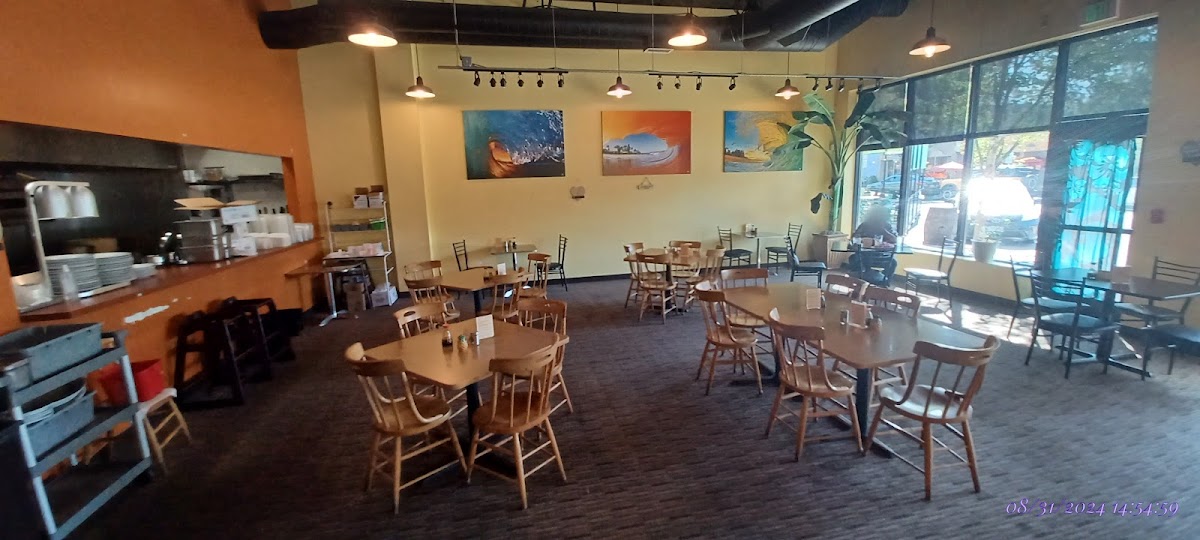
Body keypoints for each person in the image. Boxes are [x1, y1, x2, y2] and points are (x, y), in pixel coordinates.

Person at [843, 206, 898, 284]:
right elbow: (854, 238)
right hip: (864, 256)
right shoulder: (865, 225)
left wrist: (883, 231)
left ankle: (884, 282)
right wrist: (861, 241)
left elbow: (894, 239)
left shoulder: (887, 226)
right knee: (853, 259)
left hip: (882, 257)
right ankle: (860, 281)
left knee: (893, 263)